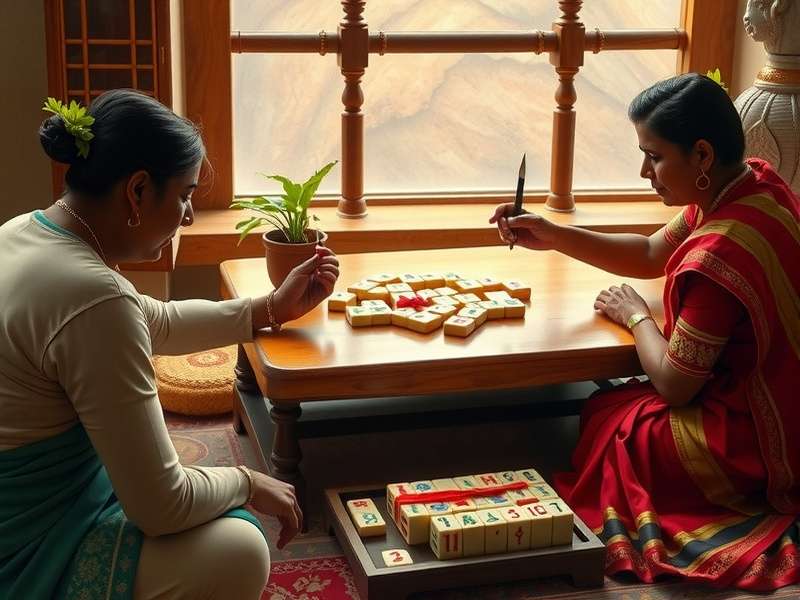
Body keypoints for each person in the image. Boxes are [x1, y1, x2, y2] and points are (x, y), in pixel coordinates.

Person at [0, 89, 340, 599]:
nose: (187, 216)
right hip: (30, 540)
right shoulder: (92, 297)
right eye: (184, 195)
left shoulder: (26, 231)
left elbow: (149, 320)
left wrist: (271, 308)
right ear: (137, 191)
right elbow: (161, 505)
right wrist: (248, 481)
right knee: (240, 548)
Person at [491, 73, 799, 590]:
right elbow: (653, 253)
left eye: (653, 156)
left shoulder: (721, 252)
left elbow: (676, 384)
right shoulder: (753, 185)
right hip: (786, 404)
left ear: (701, 155)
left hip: (756, 439)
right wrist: (551, 233)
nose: (643, 171)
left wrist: (636, 316)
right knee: (606, 408)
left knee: (616, 427)